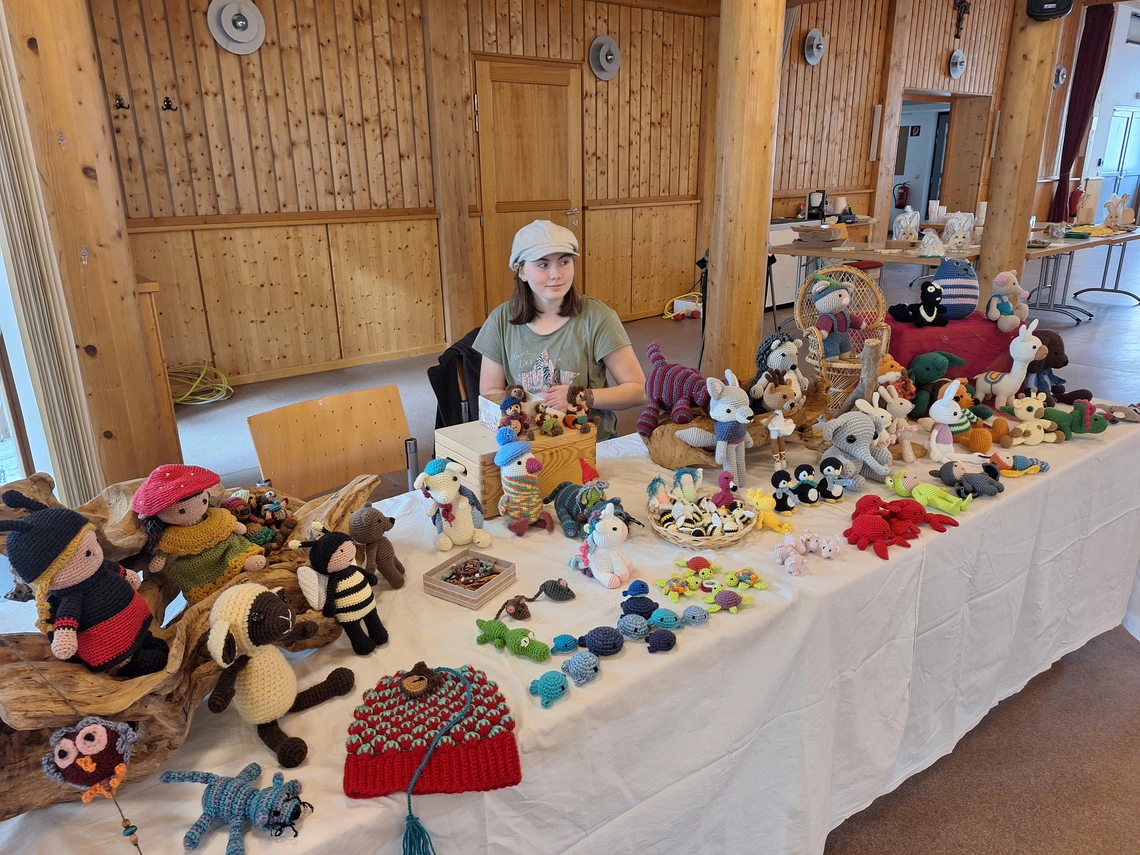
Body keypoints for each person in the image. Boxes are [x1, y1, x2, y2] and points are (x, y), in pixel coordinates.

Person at [475, 220, 646, 441]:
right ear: (521, 271)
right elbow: (490, 393)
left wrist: (582, 397)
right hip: (528, 444)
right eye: (543, 265)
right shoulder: (500, 320)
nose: (556, 274)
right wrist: (527, 406)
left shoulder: (598, 317)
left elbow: (638, 390)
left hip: (590, 443)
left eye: (564, 262)